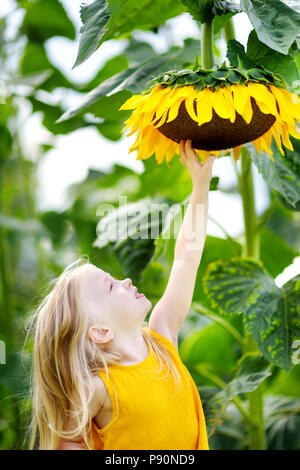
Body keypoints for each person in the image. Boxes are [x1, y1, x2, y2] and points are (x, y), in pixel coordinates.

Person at [25, 139, 216, 450]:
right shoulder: (99, 389)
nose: (126, 280)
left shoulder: (163, 339)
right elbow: (68, 441)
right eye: (111, 286)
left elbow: (186, 259)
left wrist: (200, 187)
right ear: (101, 331)